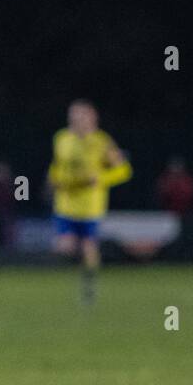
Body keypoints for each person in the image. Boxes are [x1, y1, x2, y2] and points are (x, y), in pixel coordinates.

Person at [47, 99, 131, 304]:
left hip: (90, 206)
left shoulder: (102, 142)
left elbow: (124, 170)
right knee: (64, 246)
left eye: (80, 116)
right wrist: (54, 178)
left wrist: (102, 179)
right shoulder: (62, 138)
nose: (75, 120)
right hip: (65, 203)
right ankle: (61, 286)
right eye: (72, 116)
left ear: (92, 118)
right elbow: (57, 166)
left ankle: (88, 287)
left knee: (88, 248)